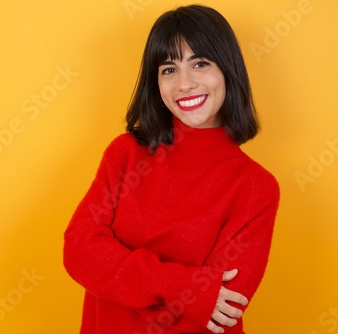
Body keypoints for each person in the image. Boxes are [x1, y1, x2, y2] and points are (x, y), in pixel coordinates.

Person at [63, 5, 280, 334]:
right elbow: (79, 250)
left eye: (200, 63)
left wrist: (118, 277)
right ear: (156, 81)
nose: (185, 84)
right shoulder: (125, 154)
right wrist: (184, 286)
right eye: (168, 69)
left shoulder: (255, 187)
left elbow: (223, 308)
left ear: (227, 70)